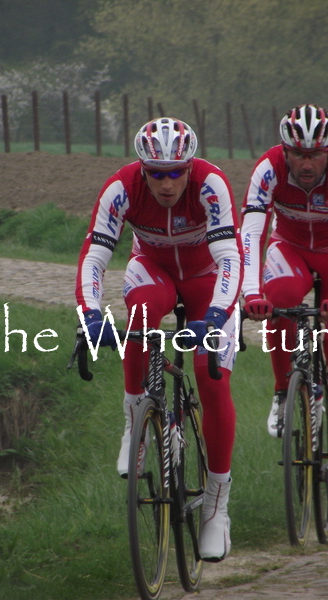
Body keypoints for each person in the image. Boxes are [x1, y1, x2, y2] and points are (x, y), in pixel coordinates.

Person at [75, 117, 243, 561]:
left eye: (175, 172)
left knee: (213, 383)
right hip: (154, 269)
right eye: (156, 173)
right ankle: (136, 422)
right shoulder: (121, 187)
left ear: (189, 167)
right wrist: (90, 316)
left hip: (210, 279)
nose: (166, 183)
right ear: (142, 168)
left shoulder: (211, 184)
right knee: (141, 317)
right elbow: (94, 256)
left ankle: (215, 507)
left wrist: (216, 317)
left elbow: (230, 258)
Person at [240, 104, 328, 520]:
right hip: (291, 248)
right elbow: (250, 232)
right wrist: (250, 292)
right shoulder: (268, 169)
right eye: (298, 153)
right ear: (286, 150)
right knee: (278, 303)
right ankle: (284, 392)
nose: (307, 162)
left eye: (316, 154)